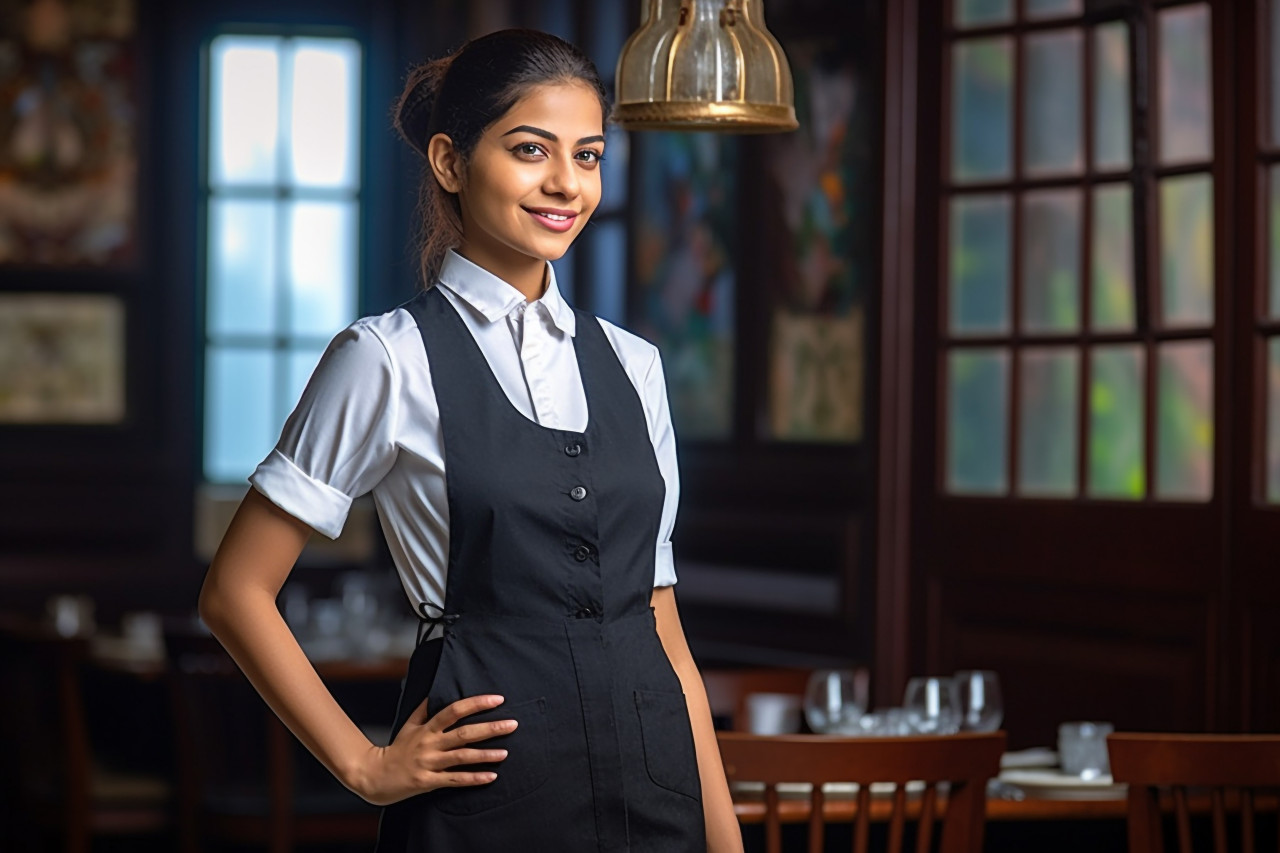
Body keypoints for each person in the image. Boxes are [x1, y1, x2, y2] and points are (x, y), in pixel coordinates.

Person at [198, 28, 744, 853]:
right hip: (488, 806)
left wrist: (725, 837)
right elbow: (235, 591)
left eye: (588, 155)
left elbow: (661, 626)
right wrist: (364, 764)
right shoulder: (385, 357)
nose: (566, 182)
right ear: (451, 162)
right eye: (531, 149)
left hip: (654, 795)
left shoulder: (637, 365)